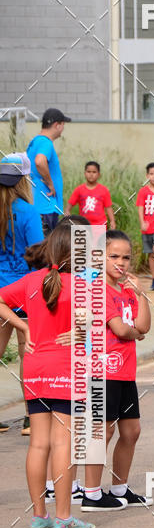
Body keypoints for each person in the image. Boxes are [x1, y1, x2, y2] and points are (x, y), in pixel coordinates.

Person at [0, 222, 96, 528]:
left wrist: (22, 325)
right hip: (67, 369)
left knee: (38, 444)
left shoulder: (31, 281)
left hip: (35, 367)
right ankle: (64, 518)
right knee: (63, 442)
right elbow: (92, 324)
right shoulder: (83, 286)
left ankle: (39, 517)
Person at [81, 230, 152, 511]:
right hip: (102, 372)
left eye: (126, 257)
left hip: (125, 372)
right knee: (102, 432)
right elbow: (122, 330)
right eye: (114, 256)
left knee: (131, 431)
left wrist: (141, 295)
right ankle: (91, 494)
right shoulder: (97, 290)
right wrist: (135, 333)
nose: (121, 263)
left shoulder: (128, 291)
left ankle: (120, 489)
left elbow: (143, 326)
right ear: (99, 257)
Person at [0, 154, 44, 436]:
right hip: (24, 289)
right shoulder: (28, 211)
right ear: (23, 181)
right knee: (27, 351)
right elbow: (38, 252)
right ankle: (31, 417)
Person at [26, 107, 71, 236]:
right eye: (63, 125)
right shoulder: (45, 142)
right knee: (45, 246)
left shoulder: (35, 141)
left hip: (36, 204)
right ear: (57, 125)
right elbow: (40, 161)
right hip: (45, 207)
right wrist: (50, 184)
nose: (63, 129)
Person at [67, 161, 116, 229]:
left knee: (99, 237)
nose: (91, 174)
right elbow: (70, 204)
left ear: (99, 174)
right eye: (88, 172)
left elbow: (108, 207)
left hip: (99, 225)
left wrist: (112, 221)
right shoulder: (79, 189)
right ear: (85, 173)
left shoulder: (104, 190)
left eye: (94, 172)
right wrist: (67, 211)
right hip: (82, 225)